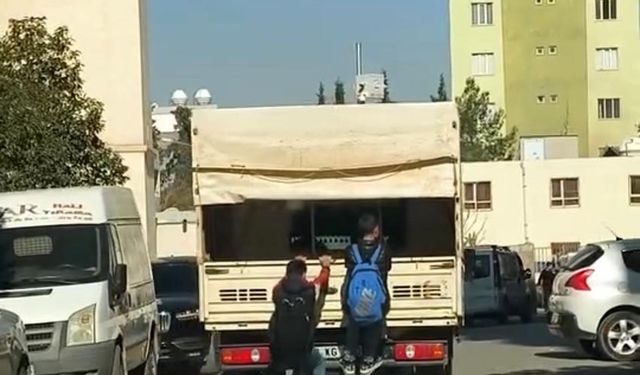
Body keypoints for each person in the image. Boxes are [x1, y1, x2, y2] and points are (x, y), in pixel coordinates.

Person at [340, 213, 392, 375]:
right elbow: (387, 269)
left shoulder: (351, 251)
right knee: (374, 321)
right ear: (375, 230)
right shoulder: (383, 251)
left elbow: (349, 272)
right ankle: (369, 358)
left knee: (354, 320)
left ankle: (349, 357)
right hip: (377, 295)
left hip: (354, 295)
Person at [268, 255, 332, 375]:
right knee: (318, 361)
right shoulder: (311, 290)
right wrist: (326, 267)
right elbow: (322, 279)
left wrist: (296, 263)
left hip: (281, 348)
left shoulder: (277, 291)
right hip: (302, 348)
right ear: (303, 274)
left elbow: (283, 282)